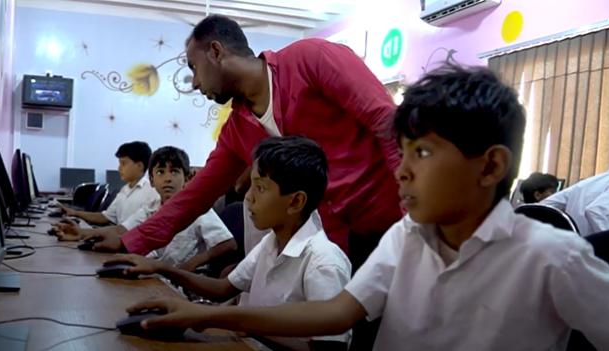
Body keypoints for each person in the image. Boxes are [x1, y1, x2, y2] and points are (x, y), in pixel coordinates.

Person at [117, 65, 609, 351]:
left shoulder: (553, 257)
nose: (400, 169)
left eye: (423, 153)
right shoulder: (408, 239)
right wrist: (208, 315)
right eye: (402, 152)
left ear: (490, 166)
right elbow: (336, 313)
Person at [87, 14, 402, 274]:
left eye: (193, 68)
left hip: (395, 225)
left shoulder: (311, 59)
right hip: (335, 246)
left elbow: (387, 123)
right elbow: (195, 196)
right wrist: (130, 241)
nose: (194, 84)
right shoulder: (237, 128)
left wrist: (415, 220)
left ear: (216, 51)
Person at [106, 136, 351, 349]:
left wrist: (229, 320)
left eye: (260, 188)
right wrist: (161, 268)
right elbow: (224, 288)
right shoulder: (271, 243)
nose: (248, 197)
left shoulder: (323, 262)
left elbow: (329, 348)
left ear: (295, 202)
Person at [57, 146, 236, 272]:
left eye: (174, 172)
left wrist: (191, 265)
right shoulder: (151, 207)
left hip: (183, 279)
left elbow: (227, 244)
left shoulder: (198, 210)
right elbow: (121, 229)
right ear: (151, 181)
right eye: (160, 172)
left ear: (187, 178)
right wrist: (82, 233)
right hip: (157, 272)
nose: (168, 178)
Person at [60, 141, 158, 226]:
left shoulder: (151, 192)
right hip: (118, 238)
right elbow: (105, 217)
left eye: (123, 163)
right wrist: (75, 213)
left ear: (139, 166)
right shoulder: (124, 189)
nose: (119, 168)